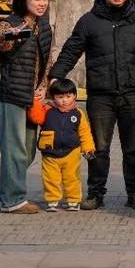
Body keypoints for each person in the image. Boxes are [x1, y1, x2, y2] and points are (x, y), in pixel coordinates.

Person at [49, 0, 135, 212]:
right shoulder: (89, 21)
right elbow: (71, 49)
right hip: (101, 96)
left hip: (133, 94)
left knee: (133, 148)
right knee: (98, 148)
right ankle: (95, 194)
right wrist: (56, 75)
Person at [0, 0, 54, 214]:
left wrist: (44, 86)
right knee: (14, 149)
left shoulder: (44, 26)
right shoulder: (9, 23)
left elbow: (46, 60)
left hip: (32, 97)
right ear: (24, 0)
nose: (42, 3)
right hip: (10, 94)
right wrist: (6, 35)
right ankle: (13, 200)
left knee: (28, 150)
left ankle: (6, 197)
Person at [32, 79, 95, 211]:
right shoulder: (47, 109)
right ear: (53, 97)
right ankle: (52, 200)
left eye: (68, 96)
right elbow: (36, 117)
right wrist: (36, 101)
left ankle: (73, 200)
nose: (64, 100)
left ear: (74, 96)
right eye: (60, 97)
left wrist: (88, 149)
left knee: (72, 177)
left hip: (72, 152)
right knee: (50, 178)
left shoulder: (78, 113)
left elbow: (84, 133)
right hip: (50, 152)